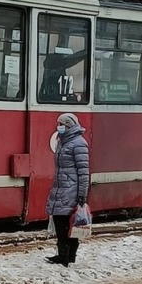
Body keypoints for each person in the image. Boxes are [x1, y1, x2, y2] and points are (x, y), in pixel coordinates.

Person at [45, 113, 89, 266]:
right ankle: (65, 255)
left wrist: (82, 195)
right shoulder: (62, 142)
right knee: (61, 222)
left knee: (67, 223)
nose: (59, 127)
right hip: (61, 187)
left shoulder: (78, 143)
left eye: (61, 124)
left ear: (69, 126)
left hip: (71, 190)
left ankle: (67, 256)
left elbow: (84, 172)